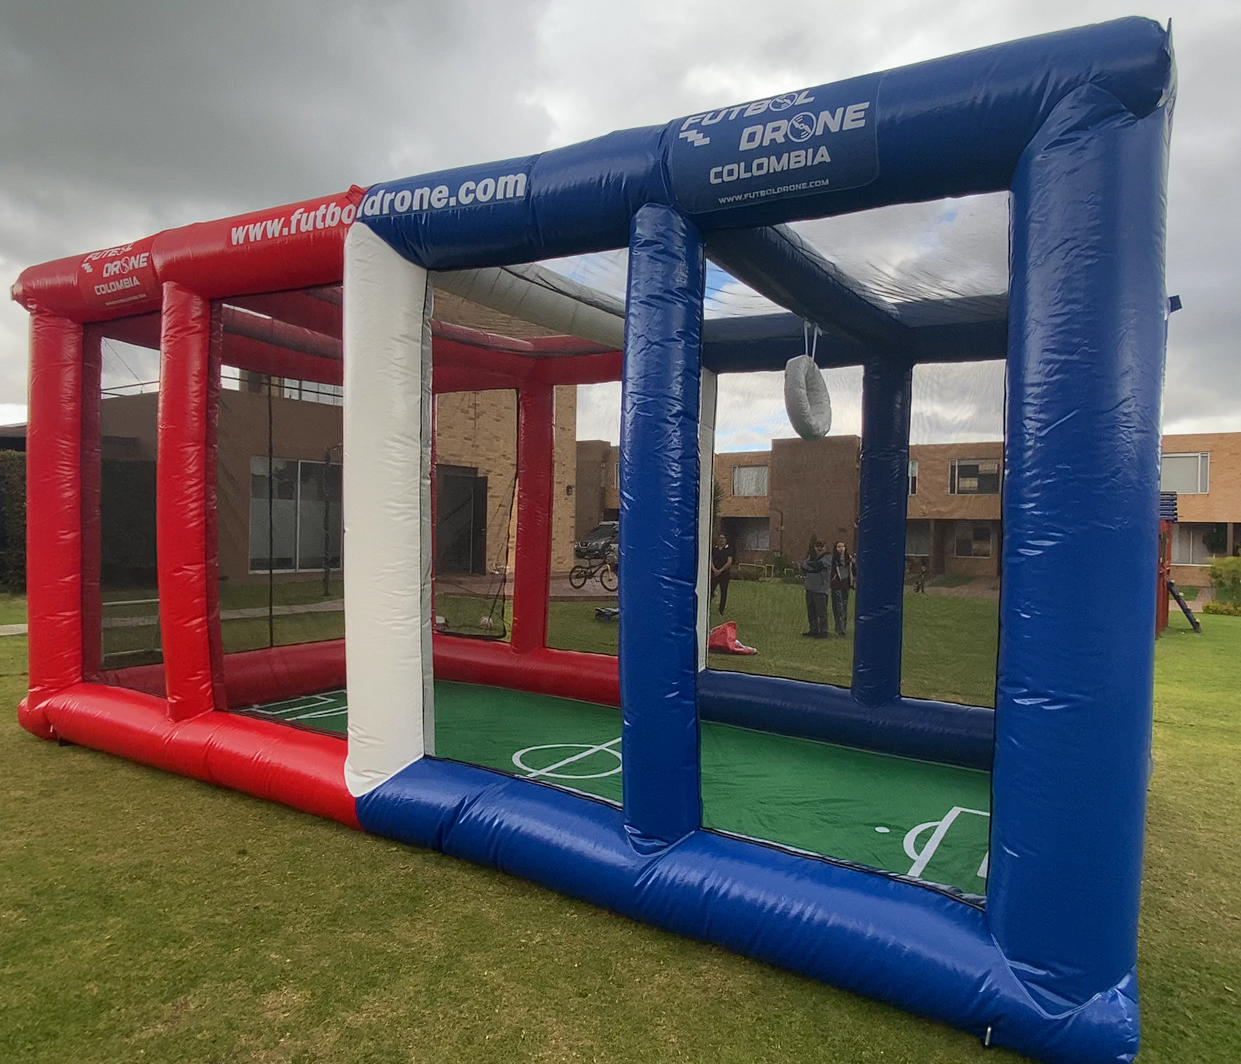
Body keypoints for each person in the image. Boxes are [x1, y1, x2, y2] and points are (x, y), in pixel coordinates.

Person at [800, 539, 830, 638]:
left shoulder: (828, 557)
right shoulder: (811, 556)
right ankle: (813, 629)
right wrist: (809, 565)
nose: (819, 548)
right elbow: (803, 567)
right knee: (811, 611)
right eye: (817, 546)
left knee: (821, 612)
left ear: (825, 547)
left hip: (821, 589)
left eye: (822, 546)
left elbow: (818, 566)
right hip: (809, 587)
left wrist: (808, 565)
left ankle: (824, 631)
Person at [829, 541, 857, 637]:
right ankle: (839, 629)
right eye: (839, 547)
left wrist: (853, 581)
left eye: (842, 546)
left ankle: (843, 629)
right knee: (837, 607)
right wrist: (833, 579)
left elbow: (854, 571)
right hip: (836, 585)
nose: (841, 549)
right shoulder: (833, 560)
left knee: (844, 606)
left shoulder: (849, 559)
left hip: (846, 585)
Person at [710, 534, 734, 614]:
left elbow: (729, 562)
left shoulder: (728, 549)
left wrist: (720, 570)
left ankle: (721, 610)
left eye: (723, 538)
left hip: (724, 574)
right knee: (711, 590)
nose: (721, 540)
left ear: (726, 540)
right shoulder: (714, 549)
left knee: (723, 592)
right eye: (720, 538)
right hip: (714, 573)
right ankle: (707, 607)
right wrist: (714, 569)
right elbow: (710, 560)